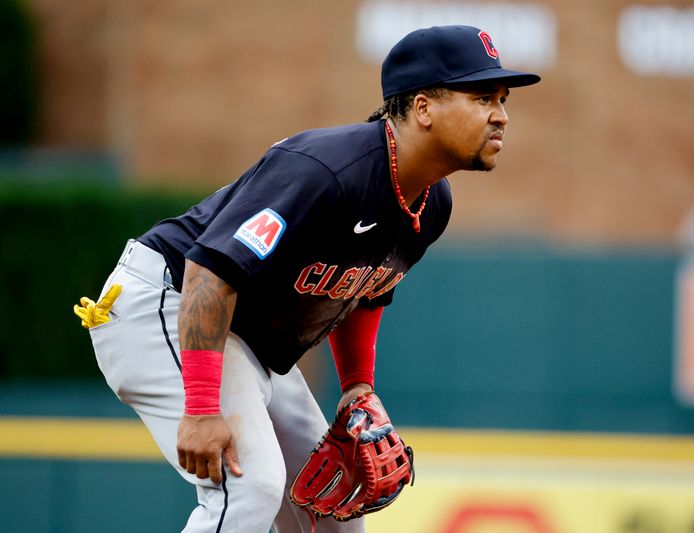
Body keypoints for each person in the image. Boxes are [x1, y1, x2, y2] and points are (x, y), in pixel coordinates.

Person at [74, 25, 540, 532]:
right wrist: (203, 406)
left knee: (334, 516)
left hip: (243, 339)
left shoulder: (430, 204)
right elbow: (209, 270)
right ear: (423, 108)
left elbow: (366, 290)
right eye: (481, 97)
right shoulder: (327, 170)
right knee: (250, 486)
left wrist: (357, 386)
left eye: (502, 99)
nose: (501, 115)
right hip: (164, 303)